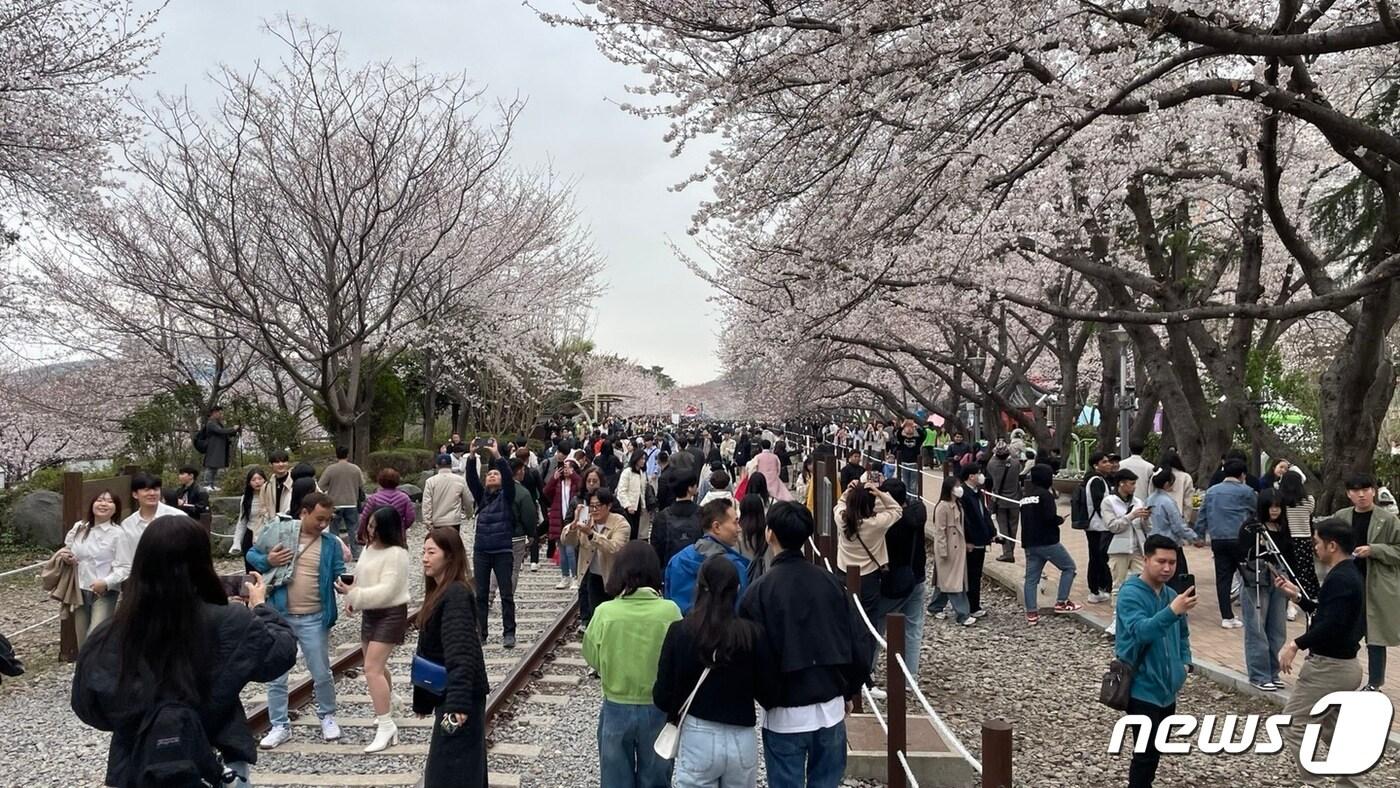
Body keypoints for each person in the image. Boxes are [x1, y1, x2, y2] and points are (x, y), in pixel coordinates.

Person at [72, 515, 296, 788]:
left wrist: (144, 718)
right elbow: (280, 655)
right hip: (216, 761)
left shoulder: (113, 631)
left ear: (143, 561)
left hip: (136, 763)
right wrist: (261, 608)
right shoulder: (231, 619)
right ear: (202, 562)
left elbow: (88, 705)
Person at [741, 502, 875, 788]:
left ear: (769, 534)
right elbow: (859, 641)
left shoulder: (759, 592)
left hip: (783, 712)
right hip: (830, 705)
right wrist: (850, 689)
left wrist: (765, 696)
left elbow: (752, 656)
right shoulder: (830, 583)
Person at [248, 492, 347, 749]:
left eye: (328, 520)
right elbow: (252, 555)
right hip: (280, 615)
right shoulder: (280, 533)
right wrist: (267, 560)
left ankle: (327, 716)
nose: (323, 524)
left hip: (314, 616)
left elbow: (338, 572)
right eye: (319, 519)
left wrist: (345, 586)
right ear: (304, 512)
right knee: (277, 674)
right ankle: (279, 724)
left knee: (321, 672)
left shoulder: (331, 544)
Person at [1274, 518, 1367, 787]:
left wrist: (1295, 644)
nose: (1314, 548)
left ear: (1332, 545)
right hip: (1344, 667)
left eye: (1316, 543)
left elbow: (1332, 624)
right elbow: (1329, 614)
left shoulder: (1341, 578)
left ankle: (1315, 782)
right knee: (1331, 728)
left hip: (1329, 668)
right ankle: (1352, 782)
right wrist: (1298, 598)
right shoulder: (1347, 574)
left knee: (1292, 724)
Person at [654, 556, 762, 788]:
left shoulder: (681, 631)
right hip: (742, 736)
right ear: (738, 588)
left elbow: (662, 695)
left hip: (698, 733)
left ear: (699, 587)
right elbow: (765, 688)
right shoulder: (751, 634)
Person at [583, 541, 682, 788]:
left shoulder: (606, 612)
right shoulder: (670, 611)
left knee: (615, 777)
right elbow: (681, 658)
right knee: (656, 777)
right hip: (658, 707)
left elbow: (591, 656)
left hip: (616, 704)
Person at [1113, 534, 1197, 788]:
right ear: (1146, 559)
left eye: (1172, 562)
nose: (1167, 568)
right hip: (1140, 688)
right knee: (1145, 754)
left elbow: (1182, 634)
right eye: (1161, 561)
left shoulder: (1171, 593)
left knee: (1155, 751)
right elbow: (1141, 632)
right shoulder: (1131, 594)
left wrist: (1185, 663)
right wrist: (1173, 610)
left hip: (1168, 689)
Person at [415, 527, 489, 788]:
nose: (424, 557)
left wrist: (458, 704)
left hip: (460, 696)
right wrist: (425, 700)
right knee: (458, 767)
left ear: (450, 556)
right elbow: (432, 653)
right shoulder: (441, 591)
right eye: (423, 551)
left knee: (452, 770)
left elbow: (461, 651)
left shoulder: (455, 594)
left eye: (431, 552)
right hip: (452, 694)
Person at [339, 506, 411, 753]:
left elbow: (388, 590)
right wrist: (352, 600)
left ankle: (386, 724)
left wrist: (355, 596)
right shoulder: (369, 549)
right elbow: (361, 579)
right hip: (370, 611)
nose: (369, 531)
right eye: (368, 525)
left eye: (374, 527)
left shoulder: (397, 554)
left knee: (371, 669)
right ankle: (390, 701)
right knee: (376, 666)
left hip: (391, 611)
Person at [1329, 473, 1400, 692]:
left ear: (1374, 491)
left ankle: (1374, 683)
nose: (1362, 495)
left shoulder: (1388, 519)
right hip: (1348, 583)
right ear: (1348, 494)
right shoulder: (1341, 517)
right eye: (1356, 491)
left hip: (1376, 583)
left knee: (1375, 637)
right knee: (1343, 632)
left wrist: (1375, 550)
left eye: (1366, 489)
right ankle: (1340, 678)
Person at [465, 441, 518, 648]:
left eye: (495, 474)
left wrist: (497, 455)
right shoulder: (482, 497)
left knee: (506, 593)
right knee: (481, 594)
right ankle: (481, 633)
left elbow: (510, 481)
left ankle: (509, 632)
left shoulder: (507, 496)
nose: (492, 476)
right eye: (489, 475)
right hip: (482, 550)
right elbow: (471, 480)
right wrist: (471, 458)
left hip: (503, 549)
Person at [58, 490, 127, 648]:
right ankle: (83, 671)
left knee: (95, 637)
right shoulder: (80, 527)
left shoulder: (118, 534)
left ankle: (99, 671)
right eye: (100, 500)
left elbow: (124, 566)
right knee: (82, 640)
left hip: (105, 592)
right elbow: (68, 549)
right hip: (80, 589)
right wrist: (67, 557)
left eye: (109, 502)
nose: (103, 504)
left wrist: (106, 582)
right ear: (92, 504)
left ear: (116, 509)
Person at [834, 478, 903, 634]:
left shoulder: (842, 519)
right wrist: (879, 492)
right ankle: (865, 654)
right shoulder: (876, 523)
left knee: (843, 617)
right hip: (868, 577)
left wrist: (849, 491)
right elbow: (897, 509)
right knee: (868, 623)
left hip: (843, 572)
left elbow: (839, 504)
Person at [1196, 458, 1257, 629]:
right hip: (1240, 539)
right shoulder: (1246, 491)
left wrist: (1199, 535)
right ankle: (1251, 612)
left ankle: (1226, 617)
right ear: (1242, 474)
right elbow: (1257, 511)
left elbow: (1202, 514)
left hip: (1218, 539)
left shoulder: (1212, 491)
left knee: (1223, 579)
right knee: (1248, 575)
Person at [665, 498, 750, 615]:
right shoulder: (734, 566)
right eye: (735, 522)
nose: (739, 529)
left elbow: (670, 607)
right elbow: (740, 610)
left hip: (686, 629)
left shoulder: (677, 561)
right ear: (716, 527)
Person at [1021, 463, 1083, 624]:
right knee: (1069, 567)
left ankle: (1031, 614)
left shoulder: (1025, 497)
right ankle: (1062, 601)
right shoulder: (1045, 495)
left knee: (1031, 579)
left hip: (1029, 543)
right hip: (1048, 542)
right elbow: (1049, 518)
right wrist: (1060, 520)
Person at [1240, 492, 1289, 691]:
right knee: (1256, 628)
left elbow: (1289, 554)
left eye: (1278, 506)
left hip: (1280, 579)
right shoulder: (1251, 527)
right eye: (1270, 506)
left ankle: (1273, 671)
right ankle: (1259, 674)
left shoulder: (1283, 527)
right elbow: (1242, 553)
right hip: (1256, 580)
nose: (1274, 510)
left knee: (1277, 628)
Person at [878, 477, 929, 672]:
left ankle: (869, 670)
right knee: (913, 629)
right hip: (917, 576)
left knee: (878, 623)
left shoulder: (888, 523)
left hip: (893, 581)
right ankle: (910, 676)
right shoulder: (917, 513)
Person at [564, 487, 631, 630]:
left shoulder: (621, 523)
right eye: (592, 506)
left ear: (609, 506)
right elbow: (568, 541)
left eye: (598, 506)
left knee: (615, 621)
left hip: (614, 577)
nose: (594, 510)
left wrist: (591, 534)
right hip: (594, 576)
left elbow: (615, 548)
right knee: (597, 618)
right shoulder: (586, 521)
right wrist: (574, 524)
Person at [1145, 466, 1202, 594]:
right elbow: (1178, 526)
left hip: (1154, 542)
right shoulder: (1168, 502)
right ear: (1166, 484)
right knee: (1176, 578)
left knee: (1157, 577)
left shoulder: (1150, 499)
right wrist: (1194, 538)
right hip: (1170, 543)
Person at [927, 476, 974, 625]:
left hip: (957, 547)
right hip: (949, 549)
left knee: (945, 580)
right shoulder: (943, 506)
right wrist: (942, 551)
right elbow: (940, 531)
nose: (960, 488)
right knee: (953, 583)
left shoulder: (957, 504)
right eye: (957, 485)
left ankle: (935, 607)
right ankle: (963, 614)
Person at [1278, 467, 1320, 621]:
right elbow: (1309, 517)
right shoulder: (1309, 501)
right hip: (1304, 539)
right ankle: (1309, 599)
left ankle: (1291, 604)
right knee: (1306, 570)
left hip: (1287, 539)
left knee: (1290, 571)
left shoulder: (1280, 502)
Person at [1079, 451, 1118, 605]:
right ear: (1096, 465)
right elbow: (1101, 504)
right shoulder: (1097, 481)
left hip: (1097, 525)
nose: (1109, 464)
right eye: (1104, 462)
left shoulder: (1098, 479)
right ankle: (1095, 589)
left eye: (1108, 461)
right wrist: (1111, 520)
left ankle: (1100, 587)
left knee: (1098, 556)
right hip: (1098, 526)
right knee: (1097, 557)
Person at [957, 464, 994, 619]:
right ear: (971, 476)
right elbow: (965, 520)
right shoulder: (963, 494)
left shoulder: (977, 492)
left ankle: (974, 605)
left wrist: (992, 532)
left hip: (980, 538)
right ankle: (970, 606)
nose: (981, 476)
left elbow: (984, 512)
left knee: (976, 573)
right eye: (978, 473)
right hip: (971, 541)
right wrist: (967, 540)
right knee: (971, 574)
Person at [319, 446, 366, 559]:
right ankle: (356, 554)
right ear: (348, 455)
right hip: (351, 502)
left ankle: (335, 554)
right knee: (353, 529)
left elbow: (321, 485)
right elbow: (362, 484)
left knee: (334, 531)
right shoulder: (355, 469)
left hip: (335, 504)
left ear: (336, 455)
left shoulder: (331, 469)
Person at [543, 460, 582, 590]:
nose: (566, 470)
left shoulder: (576, 483)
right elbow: (546, 492)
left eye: (569, 467)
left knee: (571, 550)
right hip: (558, 520)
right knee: (562, 551)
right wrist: (553, 479)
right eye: (564, 467)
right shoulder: (559, 483)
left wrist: (574, 475)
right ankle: (565, 576)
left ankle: (575, 577)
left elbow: (583, 487)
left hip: (572, 520)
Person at [652, 472, 704, 569]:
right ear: (690, 488)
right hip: (698, 570)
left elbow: (656, 548)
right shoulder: (703, 513)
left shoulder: (662, 517)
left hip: (670, 570)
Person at [119, 472, 183, 544]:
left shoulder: (178, 517)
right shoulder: (128, 525)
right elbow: (124, 553)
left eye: (156, 489)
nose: (152, 493)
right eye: (147, 490)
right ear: (135, 494)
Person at [985, 441, 1023, 562]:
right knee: (1013, 526)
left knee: (1003, 528)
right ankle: (1011, 550)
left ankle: (1007, 553)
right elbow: (1018, 462)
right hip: (1015, 499)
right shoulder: (1016, 464)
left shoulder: (992, 465)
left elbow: (992, 459)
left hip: (1000, 500)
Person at [360, 468, 416, 547]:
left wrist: (361, 533)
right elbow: (411, 517)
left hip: (377, 534)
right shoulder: (404, 498)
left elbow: (364, 517)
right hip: (397, 535)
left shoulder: (374, 498)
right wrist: (401, 526)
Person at [508, 458, 540, 593]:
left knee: (496, 568)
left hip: (498, 535)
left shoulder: (498, 489)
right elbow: (529, 516)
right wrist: (531, 534)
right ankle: (508, 597)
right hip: (516, 535)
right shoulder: (522, 492)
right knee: (514, 569)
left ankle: (490, 597)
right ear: (520, 471)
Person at [230, 467, 275, 558]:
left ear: (265, 480)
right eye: (253, 480)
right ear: (249, 483)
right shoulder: (246, 498)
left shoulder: (273, 495)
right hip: (251, 534)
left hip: (268, 534)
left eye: (259, 479)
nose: (257, 482)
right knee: (251, 569)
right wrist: (236, 542)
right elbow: (242, 521)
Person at [422, 452, 473, 531]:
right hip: (453, 521)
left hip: (437, 522)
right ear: (451, 464)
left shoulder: (430, 481)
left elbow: (427, 503)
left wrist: (427, 521)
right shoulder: (460, 480)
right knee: (453, 542)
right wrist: (469, 514)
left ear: (437, 465)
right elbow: (468, 500)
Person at [197, 405, 240, 490]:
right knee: (210, 466)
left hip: (219, 448)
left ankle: (212, 484)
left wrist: (235, 431)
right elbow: (220, 431)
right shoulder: (211, 423)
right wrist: (233, 428)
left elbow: (225, 432)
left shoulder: (218, 423)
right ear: (214, 413)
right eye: (219, 413)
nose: (221, 415)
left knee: (215, 466)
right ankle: (207, 484)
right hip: (213, 447)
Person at [1155, 451, 1196, 525]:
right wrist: (1185, 521)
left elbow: (1151, 495)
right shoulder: (1186, 477)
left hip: (1158, 519)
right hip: (1178, 518)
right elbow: (1188, 504)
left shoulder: (1156, 476)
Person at [617, 448, 649, 541]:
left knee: (637, 531)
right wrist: (627, 505)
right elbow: (622, 490)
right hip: (629, 507)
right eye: (641, 459)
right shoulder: (627, 472)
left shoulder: (642, 473)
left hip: (638, 506)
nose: (643, 461)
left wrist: (644, 505)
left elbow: (643, 491)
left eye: (644, 459)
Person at [267, 450, 294, 514]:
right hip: (274, 522)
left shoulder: (295, 480)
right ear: (271, 464)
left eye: (284, 461)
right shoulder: (268, 485)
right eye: (277, 462)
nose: (281, 464)